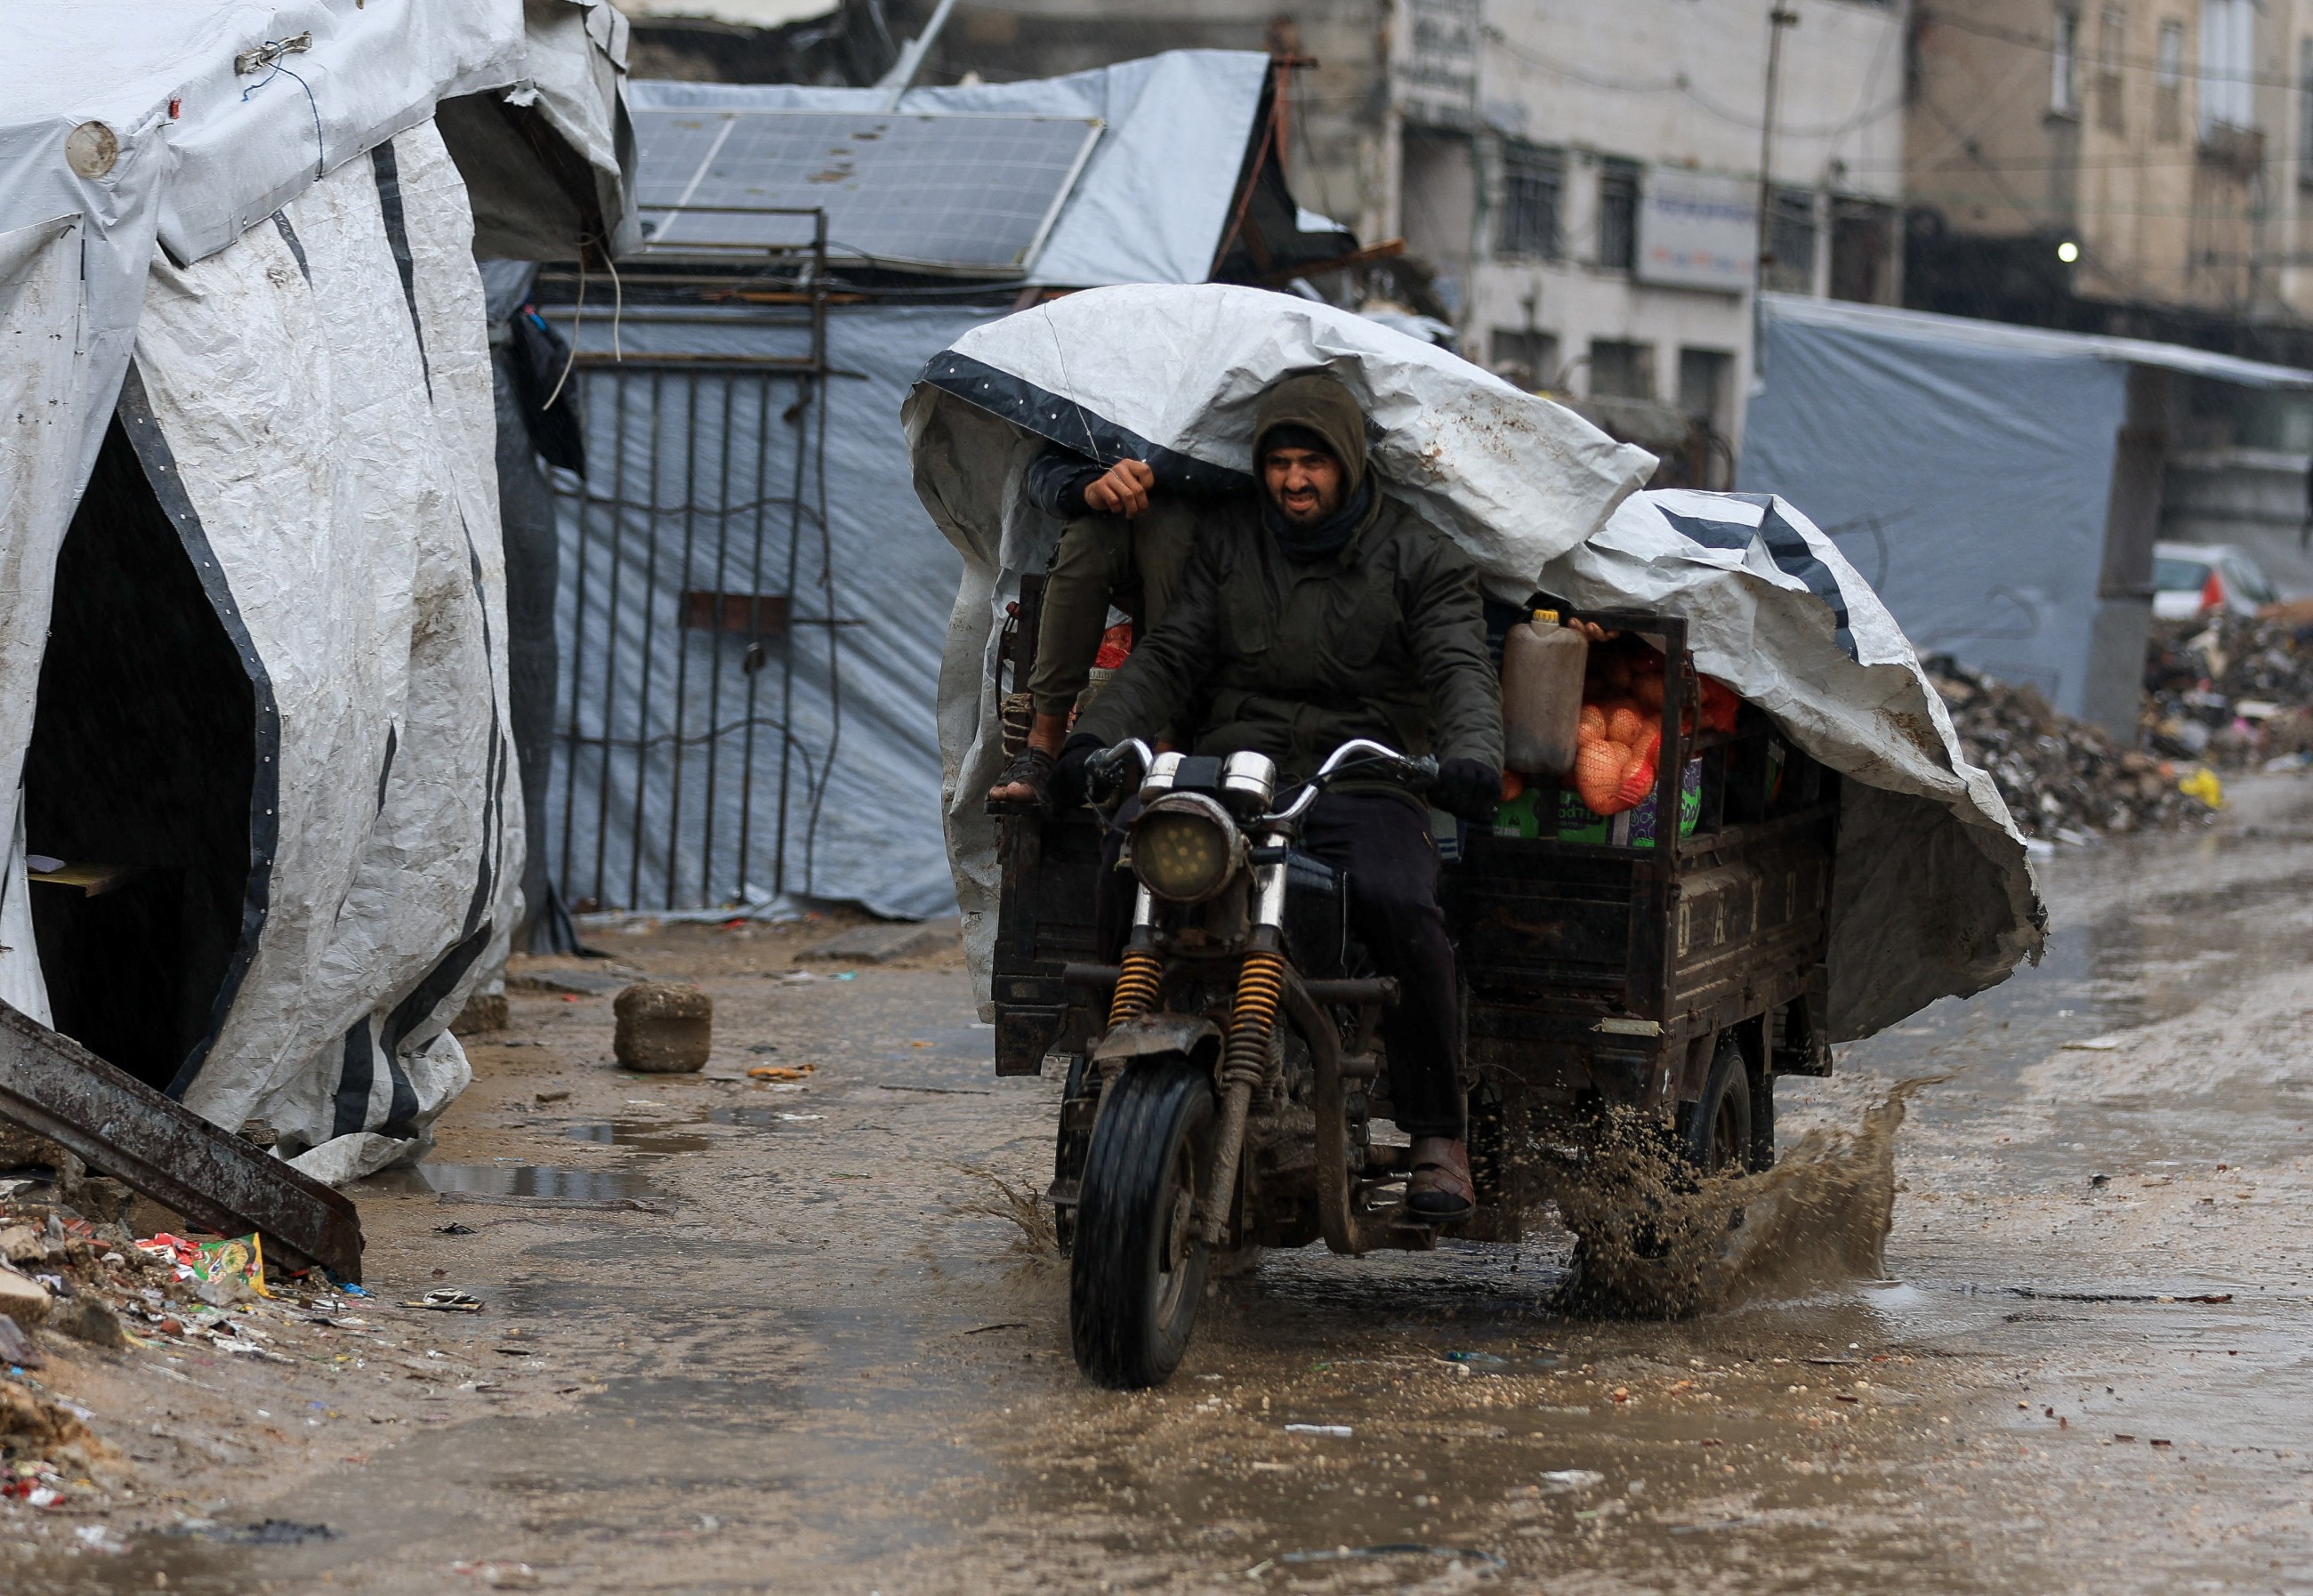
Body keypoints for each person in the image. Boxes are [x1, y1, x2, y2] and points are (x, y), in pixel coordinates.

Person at [1060, 372, 1505, 1222]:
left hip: (1360, 778)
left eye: (1313, 463)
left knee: (1401, 902)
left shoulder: (1420, 555)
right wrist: (1098, 738)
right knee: (1132, 857)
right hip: (1238, 771)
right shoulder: (1230, 546)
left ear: (1349, 462)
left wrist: (1473, 757)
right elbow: (1171, 654)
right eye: (1279, 463)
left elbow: (1459, 666)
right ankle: (1103, 1066)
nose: (1293, 481)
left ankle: (1436, 1135)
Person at [985, 447, 1232, 811]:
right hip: (1111, 524)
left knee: (1170, 529)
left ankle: (1169, 751)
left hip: (1203, 536)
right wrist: (1088, 487)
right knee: (1088, 534)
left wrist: (1166, 472)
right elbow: (1042, 471)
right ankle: (1044, 740)